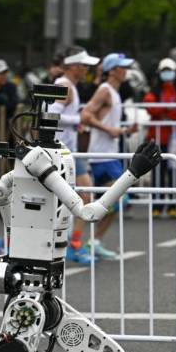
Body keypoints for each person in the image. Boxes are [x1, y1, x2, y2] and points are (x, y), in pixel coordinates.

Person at [81, 53, 138, 259]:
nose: (126, 71)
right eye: (123, 67)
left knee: (115, 200)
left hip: (109, 154)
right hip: (101, 156)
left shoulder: (115, 92)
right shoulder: (104, 90)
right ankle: (81, 239)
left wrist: (124, 131)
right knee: (119, 198)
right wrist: (108, 129)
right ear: (113, 70)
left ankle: (92, 242)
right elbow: (86, 115)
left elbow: (108, 124)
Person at [47, 46, 100, 263]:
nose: (87, 69)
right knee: (81, 196)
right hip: (60, 151)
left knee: (79, 196)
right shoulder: (65, 85)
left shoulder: (69, 86)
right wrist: (79, 120)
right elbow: (51, 115)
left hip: (68, 151)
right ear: (74, 66)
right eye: (84, 65)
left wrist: (76, 121)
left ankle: (72, 243)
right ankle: (72, 244)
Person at [142, 57, 176, 217]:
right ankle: (157, 204)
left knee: (174, 172)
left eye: (169, 71)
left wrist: (166, 108)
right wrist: (169, 106)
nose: (167, 74)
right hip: (158, 137)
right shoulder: (154, 91)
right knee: (158, 172)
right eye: (164, 71)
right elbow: (150, 107)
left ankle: (173, 206)